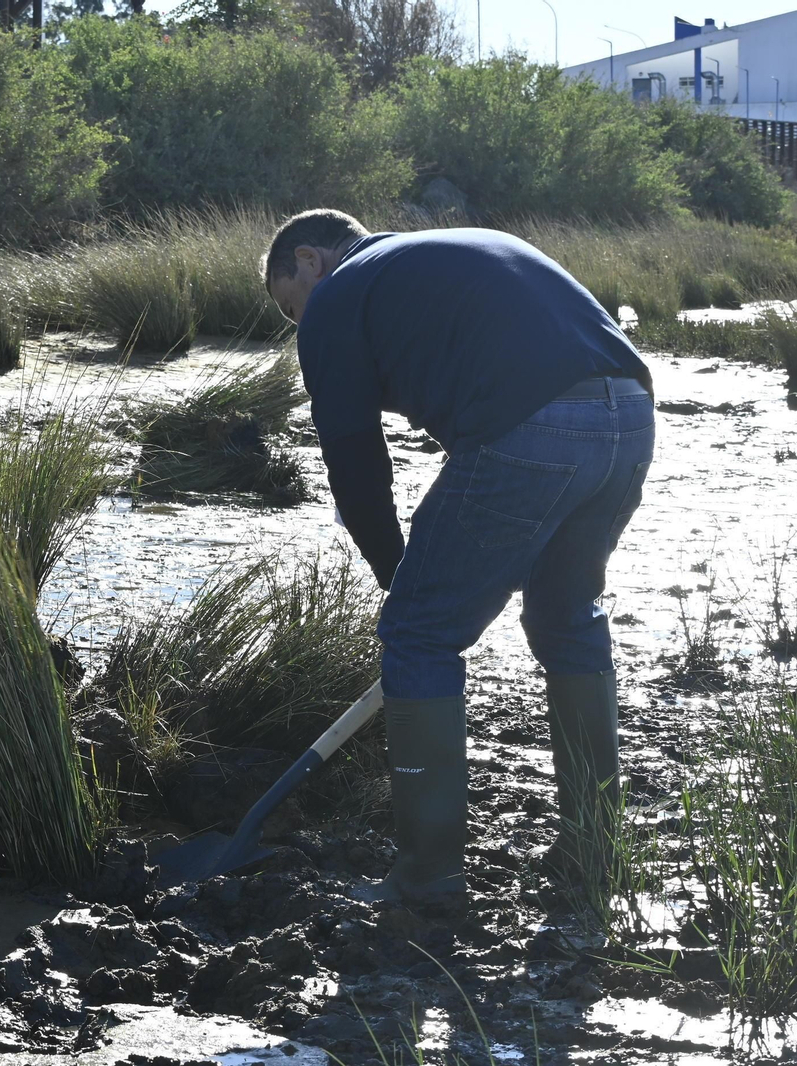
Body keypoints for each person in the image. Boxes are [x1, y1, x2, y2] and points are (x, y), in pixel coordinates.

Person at [262, 210, 654, 907]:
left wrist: (401, 588)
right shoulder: (441, 254)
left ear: (310, 260)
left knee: (419, 636)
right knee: (567, 620)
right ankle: (592, 849)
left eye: (293, 307)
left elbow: (355, 466)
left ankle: (427, 878)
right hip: (629, 416)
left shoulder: (340, 296)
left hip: (532, 424)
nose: (302, 326)